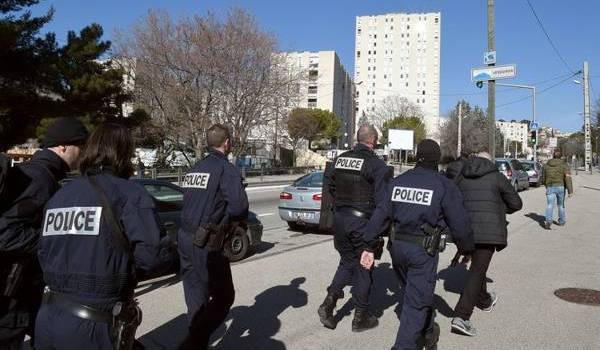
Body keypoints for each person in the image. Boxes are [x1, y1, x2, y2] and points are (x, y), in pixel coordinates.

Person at [35, 123, 174, 350]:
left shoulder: (60, 196)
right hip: (93, 324)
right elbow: (154, 258)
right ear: (125, 153)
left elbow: (43, 251)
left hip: (47, 318)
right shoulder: (129, 193)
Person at [362, 139, 475, 350]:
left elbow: (380, 215)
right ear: (437, 159)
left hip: (397, 250)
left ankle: (429, 331)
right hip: (422, 252)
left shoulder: (398, 182)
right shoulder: (443, 185)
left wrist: (368, 244)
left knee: (415, 293)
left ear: (416, 156)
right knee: (416, 302)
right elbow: (460, 222)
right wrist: (467, 248)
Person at [0, 117, 88, 349]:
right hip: (11, 296)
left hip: (21, 293)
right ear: (64, 146)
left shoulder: (41, 175)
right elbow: (5, 233)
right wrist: (50, 241)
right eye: (81, 148)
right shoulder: (40, 178)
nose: (83, 155)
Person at [178, 124, 249, 350]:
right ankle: (193, 342)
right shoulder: (225, 169)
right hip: (207, 243)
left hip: (185, 239)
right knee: (224, 296)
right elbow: (239, 208)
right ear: (226, 142)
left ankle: (196, 341)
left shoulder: (195, 168)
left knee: (195, 294)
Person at [318, 124, 391, 332]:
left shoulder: (339, 160)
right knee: (365, 266)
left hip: (339, 220)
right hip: (362, 223)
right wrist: (376, 232)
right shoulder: (376, 165)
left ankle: (328, 303)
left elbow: (329, 186)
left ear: (358, 139)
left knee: (347, 261)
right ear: (374, 141)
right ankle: (361, 317)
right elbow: (383, 204)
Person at [447, 151, 522, 337]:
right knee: (478, 271)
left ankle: (484, 300)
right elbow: (516, 203)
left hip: (464, 230)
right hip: (488, 232)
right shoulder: (497, 176)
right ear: (490, 162)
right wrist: (497, 208)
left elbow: (451, 199)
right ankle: (461, 316)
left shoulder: (462, 175)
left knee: (478, 268)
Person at [541, 150, 573, 229]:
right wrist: (570, 191)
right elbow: (567, 178)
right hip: (560, 187)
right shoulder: (564, 165)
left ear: (553, 156)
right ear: (561, 156)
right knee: (560, 205)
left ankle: (548, 220)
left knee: (550, 205)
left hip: (550, 186)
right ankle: (561, 221)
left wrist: (546, 185)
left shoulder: (546, 165)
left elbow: (543, 178)